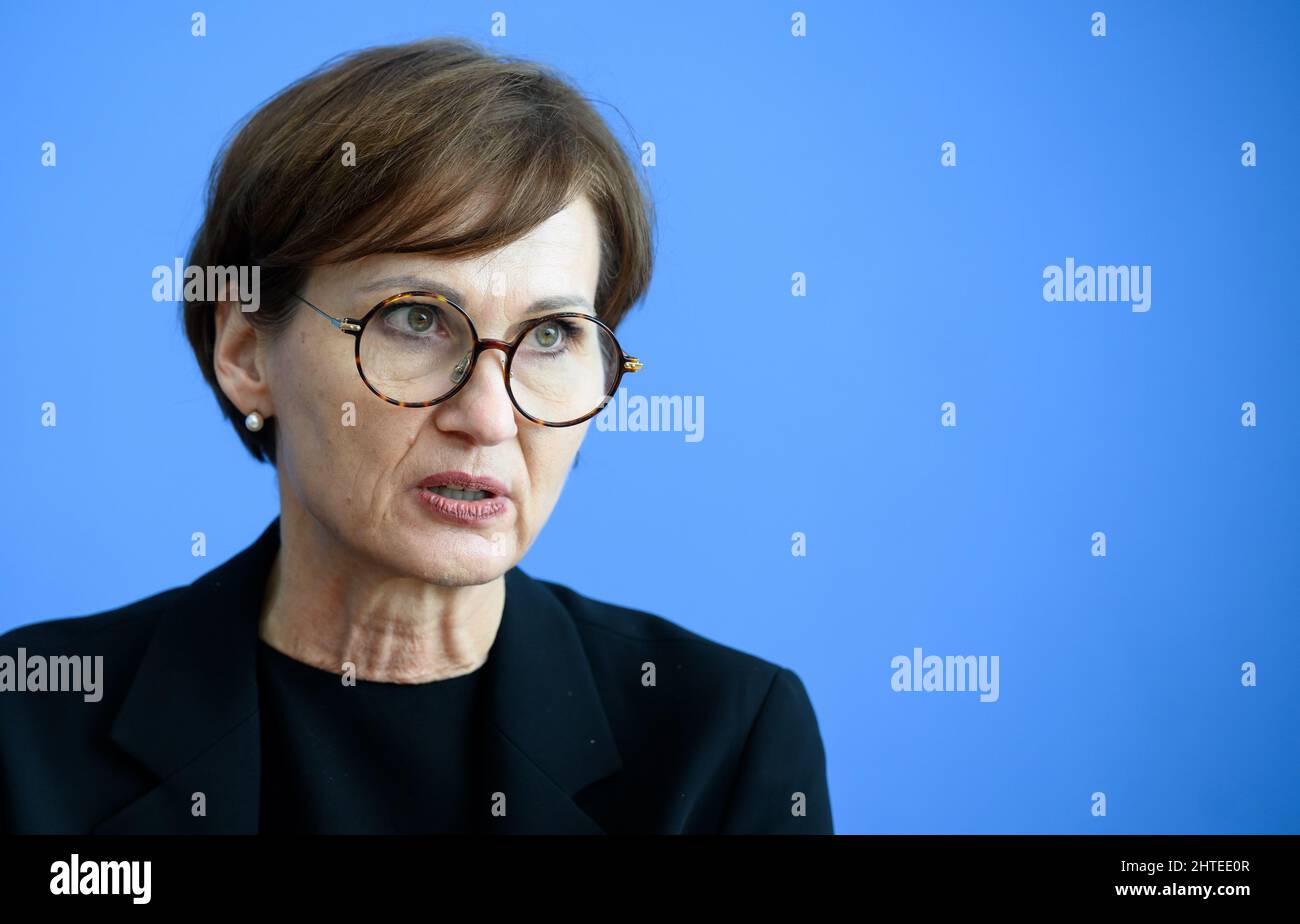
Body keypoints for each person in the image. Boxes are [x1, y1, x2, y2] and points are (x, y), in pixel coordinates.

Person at [0, 36, 832, 835]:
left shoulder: (724, 740)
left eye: (551, 337)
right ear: (246, 350)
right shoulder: (27, 728)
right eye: (416, 319)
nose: (490, 418)